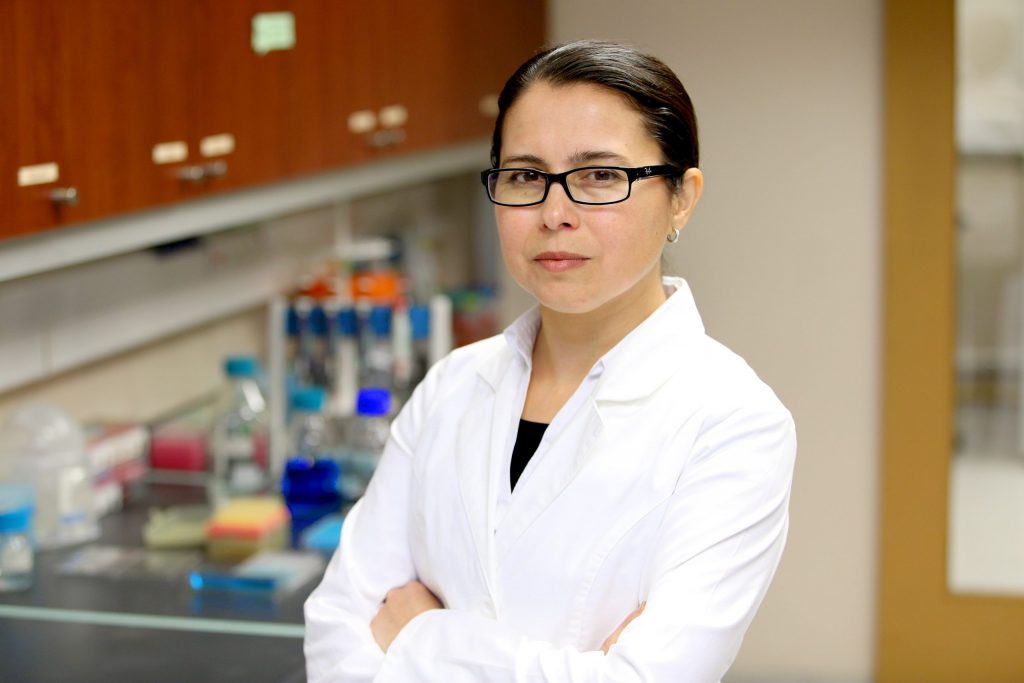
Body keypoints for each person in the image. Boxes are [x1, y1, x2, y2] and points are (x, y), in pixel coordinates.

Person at [304, 40, 796, 683]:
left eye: (600, 176)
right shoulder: (453, 386)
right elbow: (337, 632)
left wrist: (420, 637)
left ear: (682, 197)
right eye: (525, 177)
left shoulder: (734, 423)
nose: (554, 214)